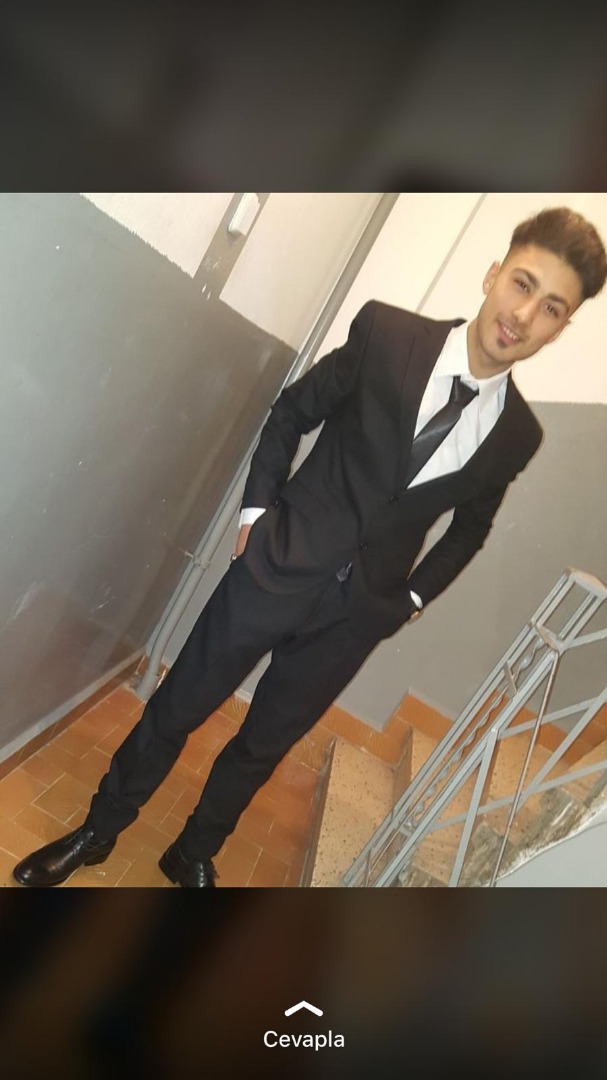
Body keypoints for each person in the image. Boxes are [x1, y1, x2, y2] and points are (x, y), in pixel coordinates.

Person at [13, 206, 607, 888]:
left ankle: (192, 850)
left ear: (562, 327)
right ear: (493, 274)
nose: (524, 315)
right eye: (523, 284)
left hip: (353, 619)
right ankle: (98, 831)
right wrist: (257, 515)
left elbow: (469, 529)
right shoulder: (387, 334)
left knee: (262, 745)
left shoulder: (517, 437)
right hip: (274, 565)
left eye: (551, 307)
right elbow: (292, 413)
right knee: (177, 707)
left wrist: (407, 600)